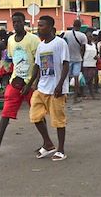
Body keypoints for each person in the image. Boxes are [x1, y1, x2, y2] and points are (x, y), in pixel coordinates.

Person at [0, 12, 40, 156]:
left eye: (19, 22)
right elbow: (13, 61)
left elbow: (38, 63)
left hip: (30, 84)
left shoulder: (33, 40)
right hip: (15, 82)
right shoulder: (11, 41)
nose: (16, 24)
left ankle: (47, 142)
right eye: (14, 22)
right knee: (5, 113)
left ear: (24, 22)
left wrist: (32, 83)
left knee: (37, 115)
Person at [29, 14, 70, 162]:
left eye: (42, 25)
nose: (39, 28)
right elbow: (38, 66)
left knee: (58, 120)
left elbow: (66, 64)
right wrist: (30, 85)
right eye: (38, 25)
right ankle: (48, 143)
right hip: (42, 88)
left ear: (51, 28)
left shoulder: (60, 43)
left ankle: (61, 150)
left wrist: (60, 85)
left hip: (56, 89)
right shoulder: (41, 45)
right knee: (35, 116)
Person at [62, 19, 87, 101]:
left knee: (66, 77)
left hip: (67, 59)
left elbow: (63, 44)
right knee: (76, 78)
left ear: (73, 25)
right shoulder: (82, 36)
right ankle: (75, 97)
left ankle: (64, 95)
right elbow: (83, 49)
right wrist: (82, 57)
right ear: (80, 26)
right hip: (77, 59)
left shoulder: (66, 33)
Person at [82, 32, 98, 99]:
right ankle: (83, 93)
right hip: (85, 64)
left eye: (90, 36)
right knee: (86, 79)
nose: (89, 38)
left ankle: (91, 94)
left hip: (93, 64)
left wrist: (97, 56)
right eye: (88, 36)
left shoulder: (94, 45)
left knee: (91, 79)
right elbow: (82, 54)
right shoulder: (84, 45)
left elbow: (97, 53)